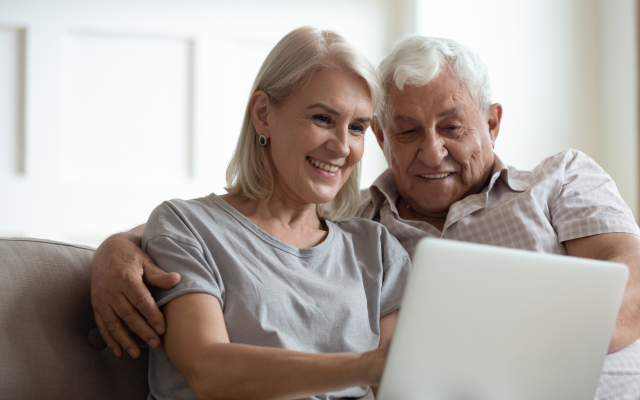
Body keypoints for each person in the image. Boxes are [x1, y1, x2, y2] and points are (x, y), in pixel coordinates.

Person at [92, 35, 640, 398]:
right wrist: (115, 246)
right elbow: (226, 235)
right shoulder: (373, 224)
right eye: (404, 131)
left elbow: (630, 295)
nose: (430, 152)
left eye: (452, 127)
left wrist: (490, 356)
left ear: (492, 123)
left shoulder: (559, 180)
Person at [111, 26, 412, 400]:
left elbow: (402, 389)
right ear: (264, 114)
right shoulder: (187, 227)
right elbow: (208, 371)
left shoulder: (377, 249)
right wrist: (365, 367)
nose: (341, 147)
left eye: (357, 127)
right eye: (322, 118)